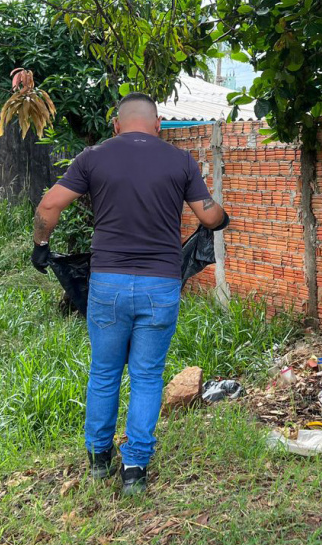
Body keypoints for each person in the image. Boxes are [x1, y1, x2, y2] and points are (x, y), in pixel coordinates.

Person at [30, 92, 229, 495]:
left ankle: (99, 459)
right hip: (161, 285)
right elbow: (209, 215)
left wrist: (40, 246)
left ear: (117, 126)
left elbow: (49, 206)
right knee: (147, 376)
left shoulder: (93, 158)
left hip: (108, 285)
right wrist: (221, 217)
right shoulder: (180, 161)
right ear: (158, 126)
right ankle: (135, 467)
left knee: (104, 372)